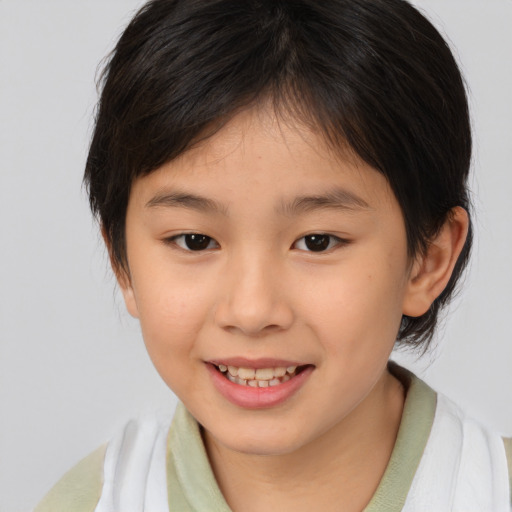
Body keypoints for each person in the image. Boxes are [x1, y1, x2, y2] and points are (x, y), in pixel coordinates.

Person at [34, 0, 512, 510]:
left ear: (429, 259)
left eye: (317, 241)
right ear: (121, 260)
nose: (252, 310)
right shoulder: (93, 500)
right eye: (195, 241)